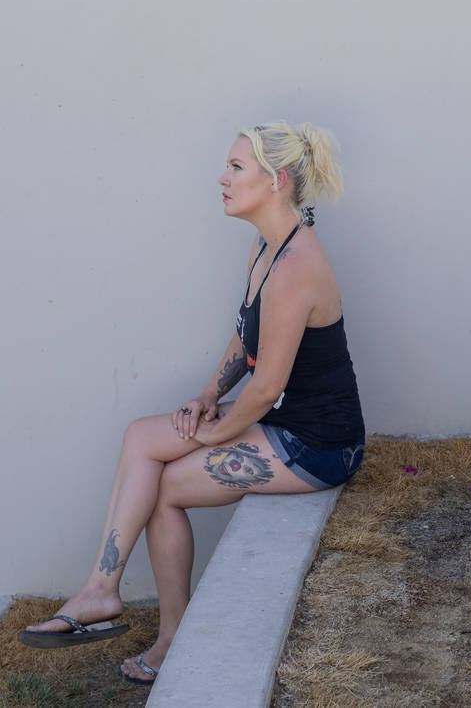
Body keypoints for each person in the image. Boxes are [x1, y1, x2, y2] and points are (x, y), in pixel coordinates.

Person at [18, 122, 367, 686]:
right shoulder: (266, 248)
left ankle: (166, 636)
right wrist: (208, 395)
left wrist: (212, 433)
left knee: (162, 487)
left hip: (319, 444)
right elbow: (243, 337)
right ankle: (101, 589)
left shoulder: (298, 268)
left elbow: (265, 387)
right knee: (140, 435)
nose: (222, 180)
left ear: (275, 180)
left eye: (235, 168)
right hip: (278, 421)